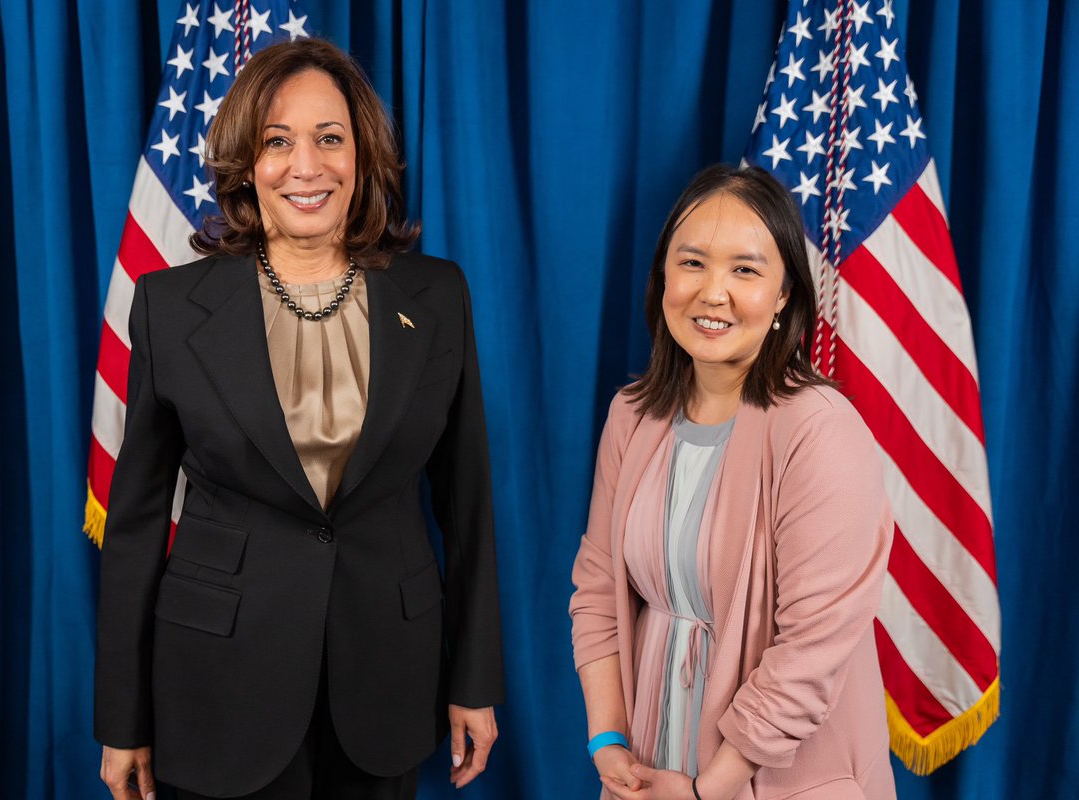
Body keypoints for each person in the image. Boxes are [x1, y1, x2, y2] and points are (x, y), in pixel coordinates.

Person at [95, 38, 503, 800]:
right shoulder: (168, 306)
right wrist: (123, 717)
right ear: (247, 162)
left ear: (364, 155)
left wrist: (474, 677)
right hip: (217, 687)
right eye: (277, 141)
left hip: (386, 676)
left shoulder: (438, 296)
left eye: (329, 138)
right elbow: (137, 524)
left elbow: (468, 502)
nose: (305, 166)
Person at [570, 165, 896, 800]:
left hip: (773, 778)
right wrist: (608, 740)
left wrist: (705, 790)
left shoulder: (820, 430)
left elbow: (811, 646)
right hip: (647, 765)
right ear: (663, 276)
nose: (712, 292)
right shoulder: (632, 416)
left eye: (745, 270)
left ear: (783, 296)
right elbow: (598, 585)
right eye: (692, 262)